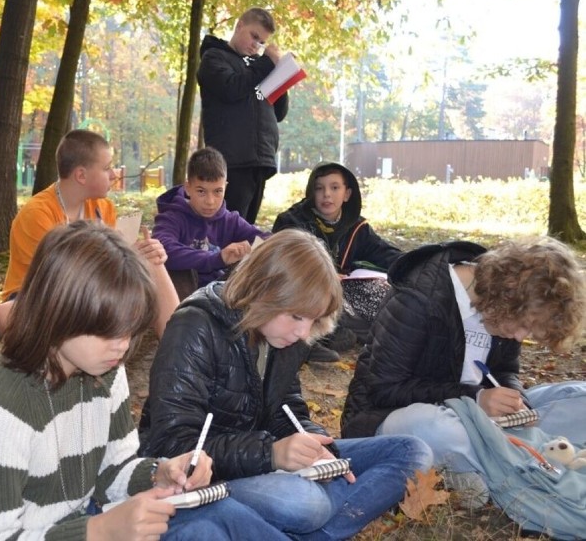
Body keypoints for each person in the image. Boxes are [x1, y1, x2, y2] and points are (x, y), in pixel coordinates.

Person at [0, 221, 288, 541]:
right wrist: (99, 531)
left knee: (221, 515)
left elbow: (114, 470)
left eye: (130, 330)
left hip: (92, 521)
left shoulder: (104, 370)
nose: (121, 346)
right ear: (57, 309)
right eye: (109, 330)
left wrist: (159, 473)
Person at [139, 229, 433, 540]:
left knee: (410, 451)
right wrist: (272, 455)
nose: (303, 331)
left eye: (312, 319)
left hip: (258, 460)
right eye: (296, 316)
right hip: (203, 477)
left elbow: (288, 411)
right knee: (304, 503)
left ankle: (304, 534)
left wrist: (320, 446)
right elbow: (170, 443)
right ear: (264, 290)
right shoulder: (195, 326)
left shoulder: (285, 334)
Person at [341, 237, 586, 508]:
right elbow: (384, 389)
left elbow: (504, 370)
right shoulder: (419, 298)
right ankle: (525, 460)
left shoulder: (505, 306)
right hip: (394, 418)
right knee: (434, 427)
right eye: (523, 325)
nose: (520, 336)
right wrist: (476, 398)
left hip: (481, 420)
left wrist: (516, 398)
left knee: (578, 397)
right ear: (507, 294)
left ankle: (509, 456)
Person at [0, 129, 177, 337]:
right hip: (42, 298)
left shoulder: (103, 207)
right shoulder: (37, 215)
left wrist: (136, 256)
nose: (114, 174)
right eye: (107, 168)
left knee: (152, 258)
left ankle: (179, 349)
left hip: (90, 292)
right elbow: (56, 279)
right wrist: (121, 259)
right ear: (81, 175)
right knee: (6, 313)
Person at [273, 163, 403, 360]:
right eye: (319, 188)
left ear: (347, 194)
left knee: (384, 292)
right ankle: (313, 341)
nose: (327, 194)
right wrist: (323, 273)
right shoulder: (292, 222)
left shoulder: (356, 226)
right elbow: (283, 262)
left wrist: (416, 262)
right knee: (307, 295)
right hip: (304, 289)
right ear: (311, 192)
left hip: (341, 293)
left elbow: (385, 253)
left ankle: (338, 333)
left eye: (334, 188)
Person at [198, 7, 289, 225]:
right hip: (232, 162)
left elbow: (279, 112)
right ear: (239, 25)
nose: (256, 45)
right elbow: (232, 88)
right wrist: (266, 63)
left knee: (245, 233)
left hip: (260, 160)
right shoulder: (214, 57)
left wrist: (281, 76)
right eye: (254, 36)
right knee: (226, 232)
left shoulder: (257, 67)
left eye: (262, 42)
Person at [152, 146, 268, 292]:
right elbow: (162, 250)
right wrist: (217, 259)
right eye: (201, 191)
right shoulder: (171, 217)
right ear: (187, 187)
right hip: (180, 302)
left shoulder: (231, 221)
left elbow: (267, 241)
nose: (210, 201)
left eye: (218, 191)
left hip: (220, 298)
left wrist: (250, 250)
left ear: (225, 187)